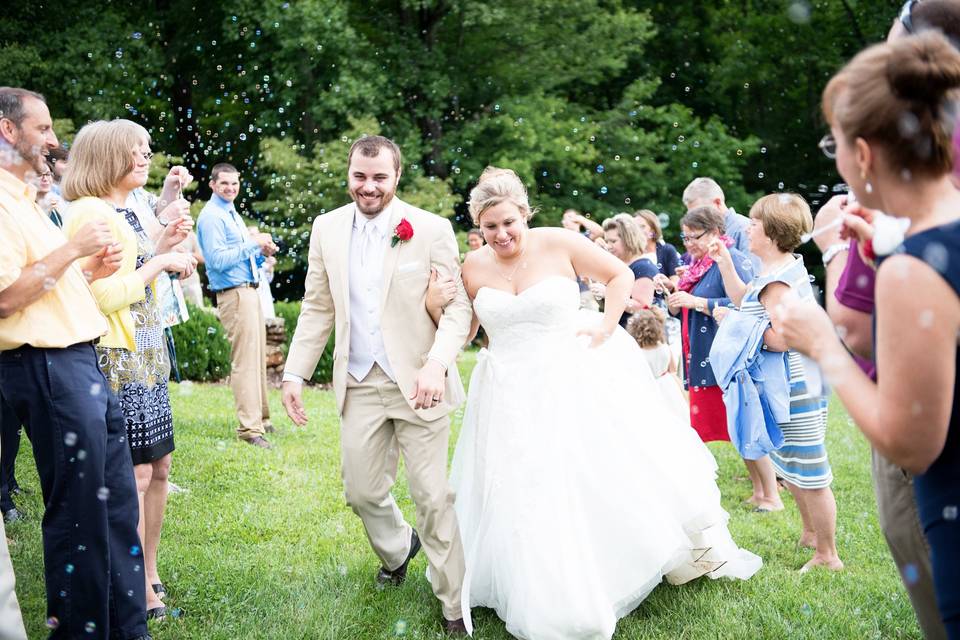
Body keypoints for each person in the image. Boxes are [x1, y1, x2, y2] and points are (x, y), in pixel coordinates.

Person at [443, 166, 760, 640]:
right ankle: (527, 573)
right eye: (490, 227)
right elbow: (469, 332)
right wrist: (436, 304)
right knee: (517, 481)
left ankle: (609, 564)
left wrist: (609, 325)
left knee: (584, 472)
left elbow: (619, 275)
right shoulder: (473, 267)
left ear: (525, 214)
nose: (502, 234)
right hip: (505, 388)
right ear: (479, 227)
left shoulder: (559, 243)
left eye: (510, 222)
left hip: (566, 375)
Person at [775, 31, 960, 637]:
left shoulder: (916, 267)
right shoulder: (931, 243)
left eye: (834, 145)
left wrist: (822, 344)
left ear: (863, 153)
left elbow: (911, 446)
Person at [281, 135, 472, 634]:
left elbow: (457, 308)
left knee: (432, 496)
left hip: (419, 381)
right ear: (349, 174)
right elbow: (318, 305)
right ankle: (398, 546)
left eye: (379, 177)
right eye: (360, 176)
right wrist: (295, 372)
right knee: (362, 492)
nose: (368, 187)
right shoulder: (325, 228)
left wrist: (436, 363)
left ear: (396, 176)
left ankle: (454, 604)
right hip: (359, 380)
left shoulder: (429, 229)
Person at [0, 87, 149, 639]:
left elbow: (47, 288)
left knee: (115, 509)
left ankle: (128, 629)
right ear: (7, 130)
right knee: (80, 515)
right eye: (42, 129)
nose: (54, 140)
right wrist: (71, 249)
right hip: (46, 368)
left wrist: (85, 272)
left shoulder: (25, 201)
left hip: (81, 362)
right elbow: (5, 299)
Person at [63, 119, 197, 620]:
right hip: (117, 361)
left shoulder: (125, 209)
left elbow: (133, 266)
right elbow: (99, 295)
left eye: (146, 150)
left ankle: (150, 571)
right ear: (107, 157)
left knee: (158, 468)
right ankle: (132, 585)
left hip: (146, 358)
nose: (145, 158)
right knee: (135, 475)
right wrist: (159, 266)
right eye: (135, 151)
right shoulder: (89, 213)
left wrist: (162, 246)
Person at [711, 193, 840, 571]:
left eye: (753, 222)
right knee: (790, 462)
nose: (747, 227)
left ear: (771, 233)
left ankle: (827, 554)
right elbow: (746, 301)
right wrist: (724, 266)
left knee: (809, 470)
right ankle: (810, 533)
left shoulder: (778, 281)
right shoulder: (771, 273)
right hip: (788, 383)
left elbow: (784, 338)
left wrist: (736, 326)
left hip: (795, 385)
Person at [666, 207, 781, 512]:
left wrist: (698, 302)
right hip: (706, 356)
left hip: (729, 358)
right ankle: (759, 491)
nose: (688, 243)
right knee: (735, 428)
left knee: (745, 424)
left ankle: (772, 495)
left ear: (716, 232)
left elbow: (747, 303)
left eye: (695, 236)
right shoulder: (697, 266)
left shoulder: (733, 261)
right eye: (685, 236)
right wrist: (676, 297)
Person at [197, 162, 277, 447]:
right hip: (233, 295)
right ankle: (249, 430)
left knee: (256, 357)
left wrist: (261, 255)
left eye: (234, 183)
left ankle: (263, 419)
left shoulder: (232, 214)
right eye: (224, 184)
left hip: (249, 289)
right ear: (212, 185)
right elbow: (216, 260)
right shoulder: (211, 217)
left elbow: (240, 259)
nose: (230, 188)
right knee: (244, 361)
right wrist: (253, 242)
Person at [682, 177, 760, 274]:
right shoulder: (705, 233)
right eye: (692, 213)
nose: (694, 218)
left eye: (700, 211)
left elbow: (753, 275)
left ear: (718, 203)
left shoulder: (744, 229)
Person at [592, 213, 657, 326]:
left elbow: (642, 307)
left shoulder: (643, 267)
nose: (608, 246)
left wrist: (607, 292)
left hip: (638, 337)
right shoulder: (618, 267)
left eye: (613, 241)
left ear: (628, 239)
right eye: (607, 241)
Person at [626, 305, 687, 421]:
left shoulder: (636, 352)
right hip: (668, 385)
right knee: (675, 414)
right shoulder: (663, 347)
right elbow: (673, 370)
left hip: (648, 387)